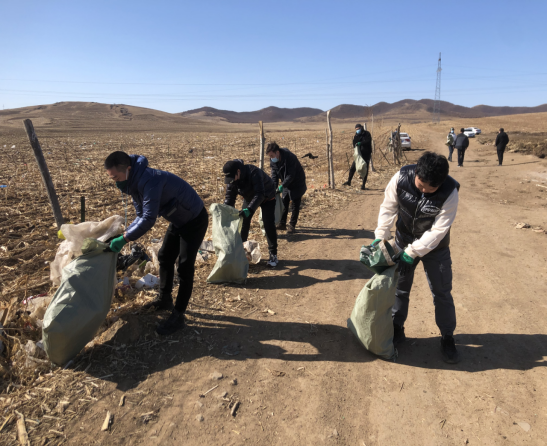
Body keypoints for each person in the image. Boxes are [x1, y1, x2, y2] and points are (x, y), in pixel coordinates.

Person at [370, 152, 461, 364]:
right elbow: (388, 206)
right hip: (403, 240)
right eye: (420, 185)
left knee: (442, 292)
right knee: (400, 288)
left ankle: (447, 336)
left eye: (430, 189)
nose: (424, 191)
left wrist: (412, 252)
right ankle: (397, 328)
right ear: (416, 173)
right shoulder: (401, 177)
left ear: (440, 183)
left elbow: (439, 230)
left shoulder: (450, 191)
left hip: (435, 249)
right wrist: (381, 235)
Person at [104, 151, 208, 336]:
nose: (115, 182)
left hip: (194, 219)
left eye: (116, 178)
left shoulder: (150, 180)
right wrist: (125, 234)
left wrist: (125, 239)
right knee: (164, 256)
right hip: (179, 219)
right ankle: (165, 299)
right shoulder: (133, 182)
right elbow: (140, 215)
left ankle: (179, 315)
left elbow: (148, 219)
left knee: (184, 267)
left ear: (128, 169)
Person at [223, 159, 279, 267]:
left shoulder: (253, 172)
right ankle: (240, 252)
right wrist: (226, 212)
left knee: (268, 224)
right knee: (244, 222)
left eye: (232, 177)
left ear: (238, 171)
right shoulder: (232, 180)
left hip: (267, 195)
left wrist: (250, 209)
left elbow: (260, 194)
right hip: (250, 197)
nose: (231, 180)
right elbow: (229, 198)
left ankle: (273, 254)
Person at [266, 142, 307, 234]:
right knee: (284, 202)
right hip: (286, 183)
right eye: (270, 156)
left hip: (297, 182)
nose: (271, 158)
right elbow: (274, 175)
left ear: (277, 152)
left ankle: (292, 225)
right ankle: (282, 223)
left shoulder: (290, 157)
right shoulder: (273, 160)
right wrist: (274, 188)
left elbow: (291, 175)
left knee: (295, 204)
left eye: (272, 155)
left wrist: (282, 185)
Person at [343, 124, 372, 190]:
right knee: (353, 168)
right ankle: (349, 181)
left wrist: (361, 143)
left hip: (366, 154)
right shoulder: (356, 135)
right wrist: (355, 144)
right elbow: (354, 141)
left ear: (361, 128)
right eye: (356, 129)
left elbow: (368, 141)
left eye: (358, 129)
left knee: (365, 169)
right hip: (359, 155)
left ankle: (363, 185)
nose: (357, 130)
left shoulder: (367, 134)